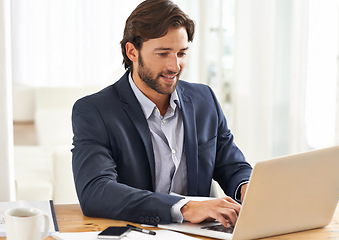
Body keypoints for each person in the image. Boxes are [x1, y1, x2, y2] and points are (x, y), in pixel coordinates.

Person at [72, 0, 252, 229]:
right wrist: (184, 207)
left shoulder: (204, 100)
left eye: (181, 53)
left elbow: (233, 166)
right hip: (140, 232)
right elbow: (96, 190)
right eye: (163, 53)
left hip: (201, 234)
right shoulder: (94, 111)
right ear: (132, 52)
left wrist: (248, 189)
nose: (175, 65)